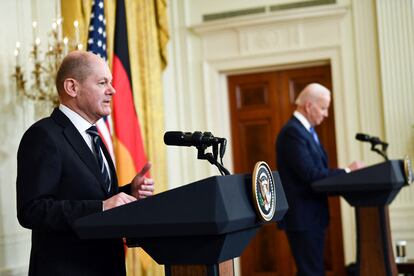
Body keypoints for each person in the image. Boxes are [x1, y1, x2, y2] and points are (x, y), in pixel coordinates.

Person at [16, 51, 155, 276]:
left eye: (110, 82)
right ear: (72, 87)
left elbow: (91, 193)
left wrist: (129, 192)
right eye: (102, 82)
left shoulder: (94, 136)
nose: (113, 90)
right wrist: (100, 208)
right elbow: (32, 210)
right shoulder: (44, 135)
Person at [275, 83, 363, 276]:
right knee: (311, 272)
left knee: (312, 271)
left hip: (312, 217)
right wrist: (347, 171)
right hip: (303, 218)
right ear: (309, 106)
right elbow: (311, 175)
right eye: (323, 108)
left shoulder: (304, 132)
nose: (326, 114)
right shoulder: (292, 132)